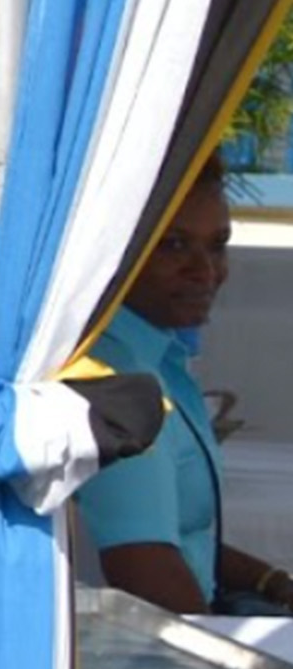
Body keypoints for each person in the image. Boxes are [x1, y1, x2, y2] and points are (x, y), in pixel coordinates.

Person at [79, 156, 293, 614]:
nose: (206, 270)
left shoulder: (160, 357)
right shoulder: (115, 380)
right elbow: (142, 565)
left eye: (217, 245)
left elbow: (181, 535)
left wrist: (272, 581)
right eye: (174, 245)